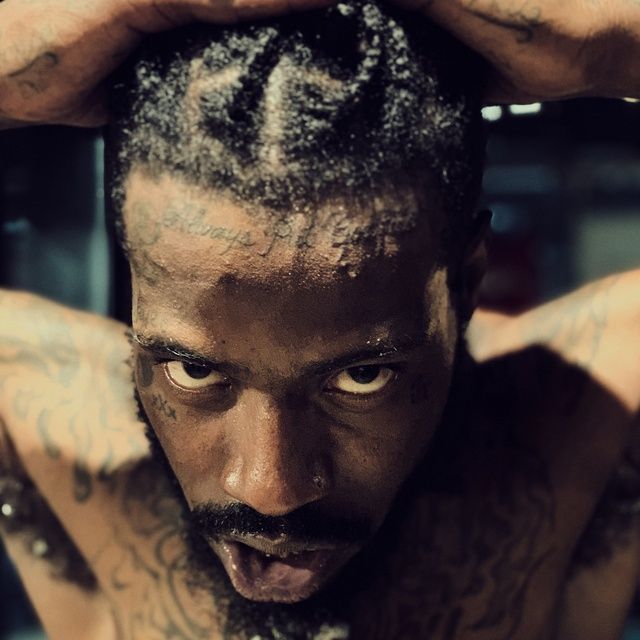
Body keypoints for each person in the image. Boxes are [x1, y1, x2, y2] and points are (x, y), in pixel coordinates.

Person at [0, 0, 639, 639]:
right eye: (193, 371)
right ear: (139, 284)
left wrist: (610, 46)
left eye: (362, 377)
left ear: (465, 283)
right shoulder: (32, 418)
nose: (270, 490)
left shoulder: (603, 418)